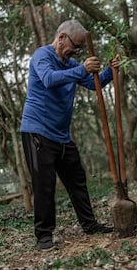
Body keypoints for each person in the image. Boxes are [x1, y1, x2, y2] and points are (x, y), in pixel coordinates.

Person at [20, 19, 119, 251]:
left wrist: (109, 71)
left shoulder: (71, 63)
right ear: (62, 37)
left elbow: (94, 84)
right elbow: (49, 80)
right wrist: (83, 68)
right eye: (75, 46)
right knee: (44, 185)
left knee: (77, 181)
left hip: (61, 135)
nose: (76, 51)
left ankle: (89, 224)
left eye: (80, 49)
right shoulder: (41, 56)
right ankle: (43, 236)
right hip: (38, 131)